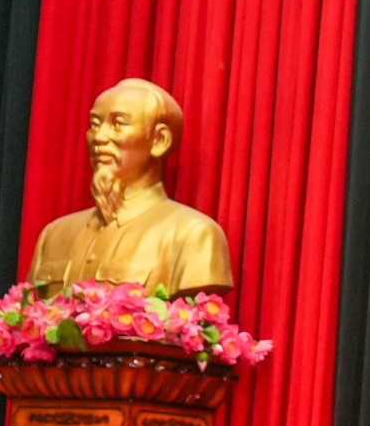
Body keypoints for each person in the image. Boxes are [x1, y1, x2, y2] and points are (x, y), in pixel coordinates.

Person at [27, 78, 233, 296]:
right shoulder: (54, 235)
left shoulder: (193, 235)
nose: (99, 137)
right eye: (95, 125)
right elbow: (26, 310)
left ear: (159, 140)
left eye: (118, 124)